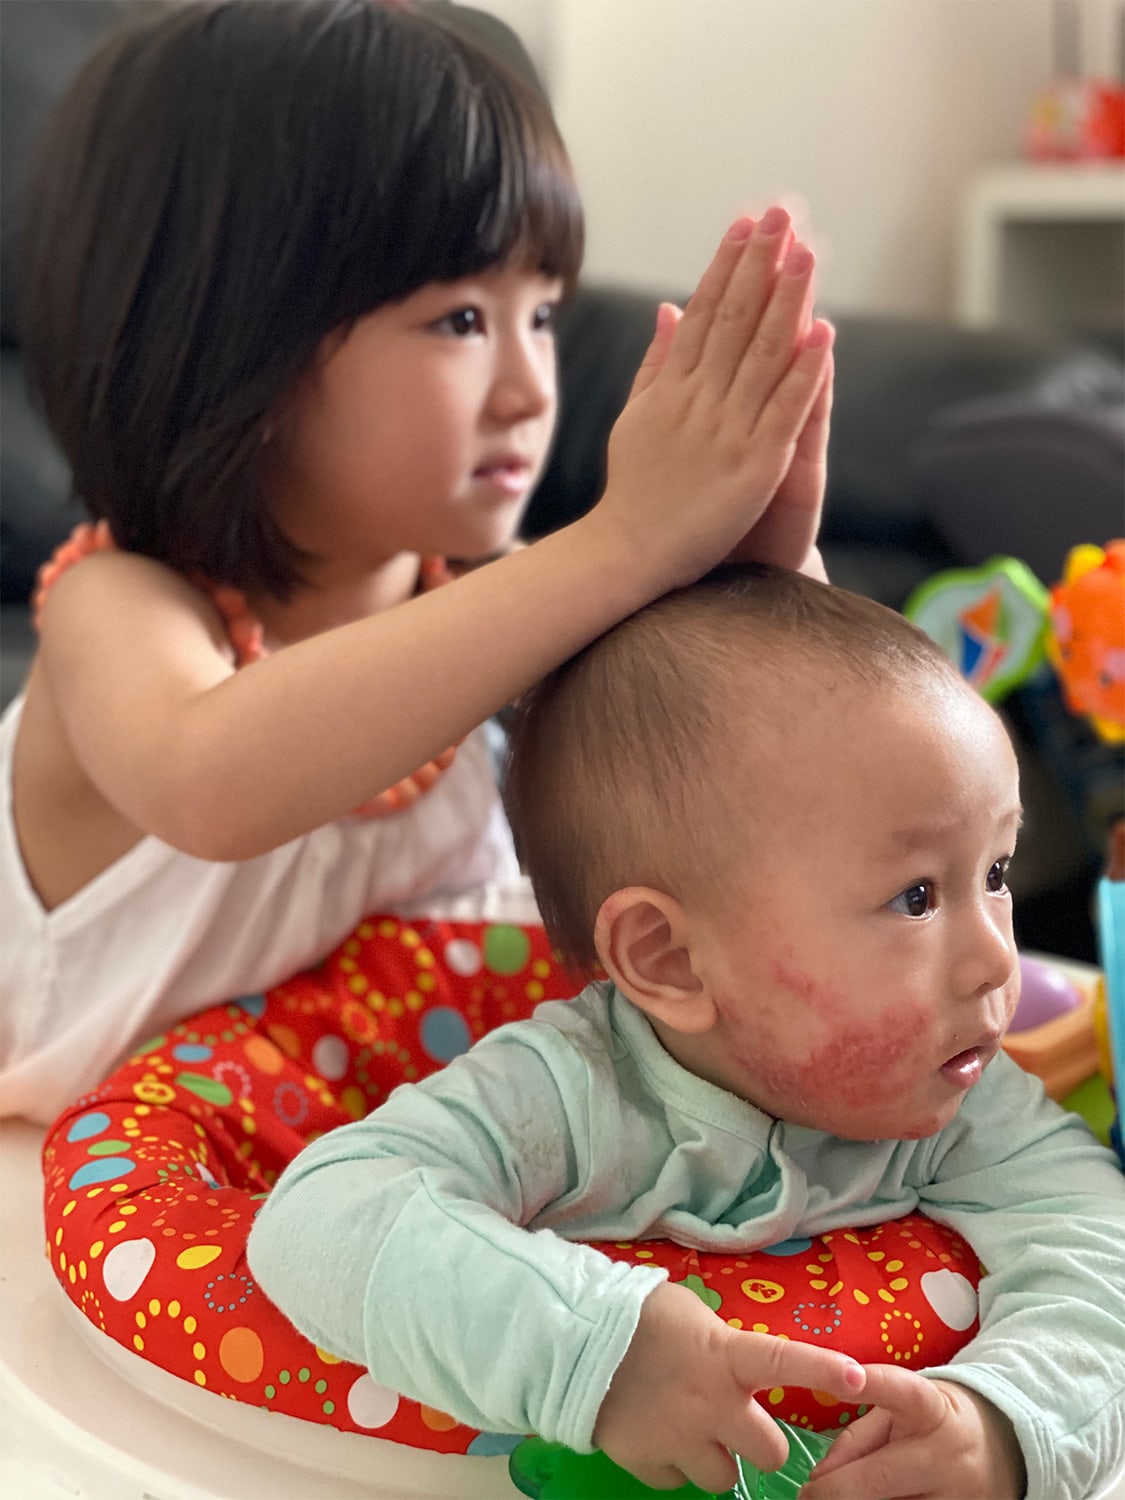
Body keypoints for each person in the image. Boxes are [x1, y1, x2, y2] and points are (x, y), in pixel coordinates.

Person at [0, 0, 837, 1122]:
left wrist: (763, 574)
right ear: (229, 345)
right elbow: (210, 781)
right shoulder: (115, 606)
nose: (531, 390)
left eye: (541, 317)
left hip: (401, 1190)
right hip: (79, 1194)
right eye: (460, 322)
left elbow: (768, 789)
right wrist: (626, 542)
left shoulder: (507, 606)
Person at [248, 563, 1125, 1500]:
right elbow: (322, 1219)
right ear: (669, 960)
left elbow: (1100, 1246)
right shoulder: (565, 1094)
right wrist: (597, 1352)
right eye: (915, 897)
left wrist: (1007, 1425)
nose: (995, 959)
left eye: (994, 873)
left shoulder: (962, 1094)